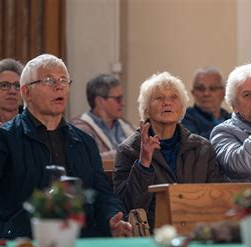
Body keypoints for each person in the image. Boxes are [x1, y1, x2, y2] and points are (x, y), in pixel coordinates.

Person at [0, 54, 132, 239]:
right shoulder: (5, 136)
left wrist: (111, 219)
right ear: (27, 92)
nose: (59, 86)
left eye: (63, 80)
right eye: (49, 80)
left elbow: (102, 193)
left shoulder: (84, 141)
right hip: (22, 241)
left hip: (80, 240)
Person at [113, 71, 224, 228]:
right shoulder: (129, 150)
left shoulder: (202, 148)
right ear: (146, 109)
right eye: (159, 98)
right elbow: (128, 206)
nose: (167, 103)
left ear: (181, 108)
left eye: (174, 97)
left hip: (197, 231)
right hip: (153, 232)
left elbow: (215, 198)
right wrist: (143, 163)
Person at [72, 74, 135, 160]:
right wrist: (127, 153)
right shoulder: (81, 129)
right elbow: (89, 160)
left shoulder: (125, 124)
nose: (123, 103)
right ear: (100, 101)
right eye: (118, 99)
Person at [181, 67, 231, 139]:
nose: (206, 93)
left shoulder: (231, 118)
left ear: (224, 93)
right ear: (193, 92)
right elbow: (194, 144)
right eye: (201, 88)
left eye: (213, 88)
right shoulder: (184, 117)